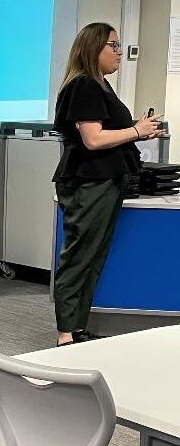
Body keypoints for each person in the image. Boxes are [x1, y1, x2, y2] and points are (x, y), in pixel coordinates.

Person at [52, 22, 161, 346]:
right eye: (113, 45)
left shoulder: (100, 85)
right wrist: (136, 131)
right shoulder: (84, 85)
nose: (119, 52)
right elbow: (93, 139)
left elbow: (108, 132)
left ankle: (77, 327)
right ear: (93, 48)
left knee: (93, 256)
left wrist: (140, 130)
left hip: (105, 179)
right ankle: (65, 334)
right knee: (80, 256)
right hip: (90, 181)